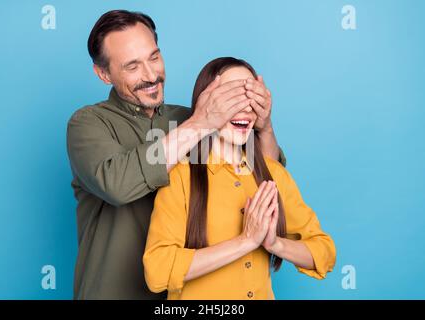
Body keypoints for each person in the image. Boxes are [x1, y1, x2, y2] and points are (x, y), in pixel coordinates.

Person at [67, 10, 285, 299]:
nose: (150, 75)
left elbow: (264, 179)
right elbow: (117, 185)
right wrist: (200, 124)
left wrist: (265, 127)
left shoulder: (190, 118)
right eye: (132, 66)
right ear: (103, 73)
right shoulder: (88, 123)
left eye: (154, 57)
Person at [143, 57, 336, 300]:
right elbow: (157, 270)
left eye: (251, 97)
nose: (245, 108)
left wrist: (274, 243)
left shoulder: (272, 173)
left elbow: (324, 252)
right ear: (206, 103)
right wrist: (245, 241)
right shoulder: (179, 176)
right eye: (232, 97)